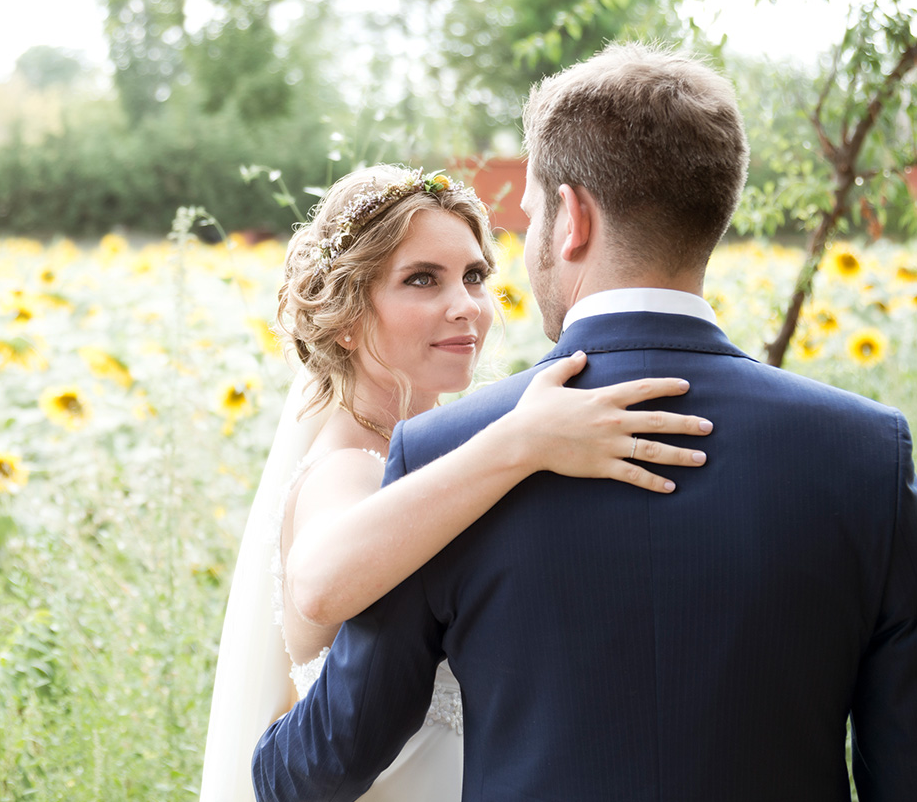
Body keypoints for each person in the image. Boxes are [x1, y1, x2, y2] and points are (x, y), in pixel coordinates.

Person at [252, 44, 917, 802]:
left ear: (571, 219)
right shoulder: (868, 452)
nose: (474, 299)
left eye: (527, 218)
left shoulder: (443, 454)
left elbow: (321, 764)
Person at [200, 163, 716, 802]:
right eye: (422, 280)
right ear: (344, 317)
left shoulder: (434, 456)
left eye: (474, 276)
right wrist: (522, 440)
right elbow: (318, 582)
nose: (465, 306)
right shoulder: (347, 465)